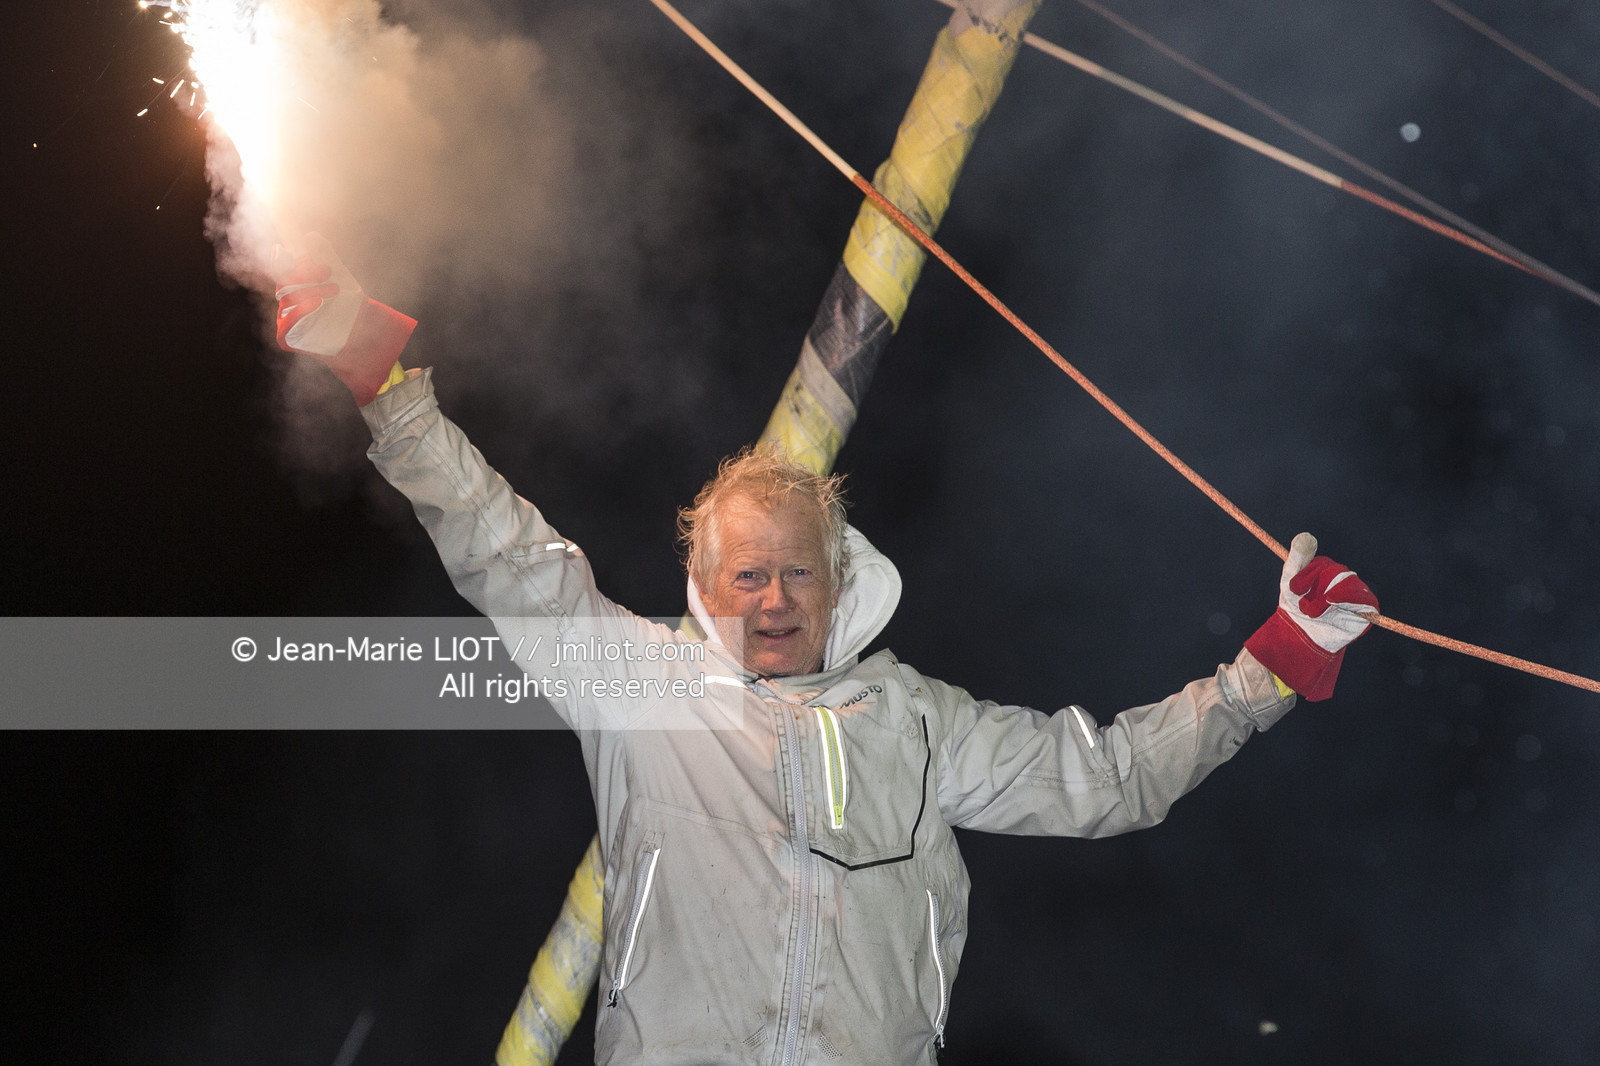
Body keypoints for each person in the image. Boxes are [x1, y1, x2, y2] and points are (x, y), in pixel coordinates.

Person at [275, 239, 1379, 1064]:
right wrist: (386, 387)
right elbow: (505, 555)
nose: (771, 597)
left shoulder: (915, 722)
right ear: (703, 592)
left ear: (839, 584)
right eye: (743, 574)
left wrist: (1271, 667)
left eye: (795, 571)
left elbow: (1108, 781)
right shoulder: (643, 687)